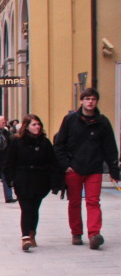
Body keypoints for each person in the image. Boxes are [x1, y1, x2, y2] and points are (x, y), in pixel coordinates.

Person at [52, 87, 121, 249]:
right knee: (74, 202)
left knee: (93, 201)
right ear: (81, 101)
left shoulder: (102, 122)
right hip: (73, 168)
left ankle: (94, 234)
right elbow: (59, 144)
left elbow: (110, 148)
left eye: (93, 99)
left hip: (94, 168)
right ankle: (76, 233)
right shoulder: (70, 120)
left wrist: (114, 171)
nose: (90, 102)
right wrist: (65, 165)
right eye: (87, 99)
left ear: (96, 101)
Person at [5, 114, 61, 251]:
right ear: (27, 126)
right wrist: (11, 179)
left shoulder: (45, 142)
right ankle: (25, 238)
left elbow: (52, 163)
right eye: (34, 124)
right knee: (26, 208)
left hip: (40, 180)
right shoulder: (17, 142)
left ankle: (32, 233)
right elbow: (9, 162)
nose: (37, 127)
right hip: (22, 179)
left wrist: (55, 183)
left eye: (38, 124)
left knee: (34, 208)